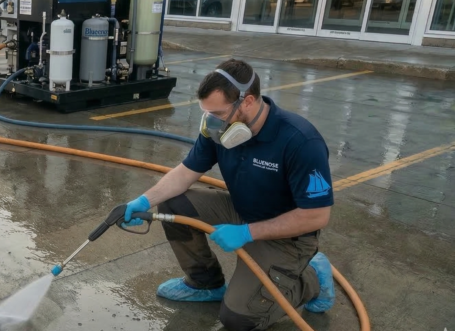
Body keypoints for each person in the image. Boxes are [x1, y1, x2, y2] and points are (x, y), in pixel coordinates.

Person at [122, 59, 335, 331]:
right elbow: (185, 173)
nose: (212, 121)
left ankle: (313, 278)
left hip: (286, 238)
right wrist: (143, 201)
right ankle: (205, 283)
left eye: (218, 113)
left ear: (248, 102)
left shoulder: (300, 141)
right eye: (206, 112)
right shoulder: (219, 130)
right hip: (241, 210)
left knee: (239, 319)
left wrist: (248, 233)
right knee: (174, 204)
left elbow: (316, 216)